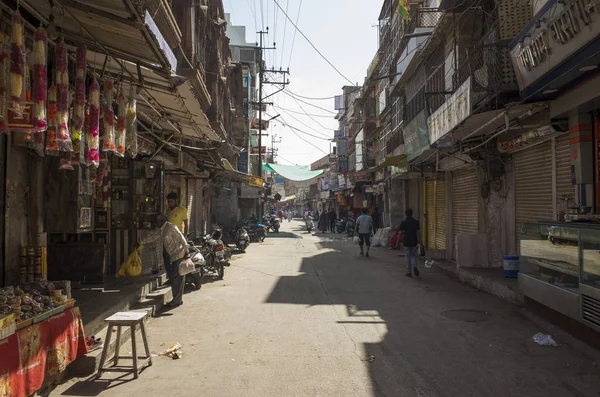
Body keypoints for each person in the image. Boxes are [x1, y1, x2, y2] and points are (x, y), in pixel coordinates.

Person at [139, 214, 189, 307]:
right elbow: (152, 237)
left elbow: (181, 237)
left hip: (179, 254)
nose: (156, 223)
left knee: (177, 279)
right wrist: (140, 243)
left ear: (162, 221)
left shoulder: (171, 227)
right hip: (173, 256)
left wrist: (187, 251)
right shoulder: (161, 230)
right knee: (175, 278)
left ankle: (176, 301)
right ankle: (177, 299)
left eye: (157, 221)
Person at [399, 208, 422, 277]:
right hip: (414, 241)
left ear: (406, 214)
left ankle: (409, 272)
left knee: (407, 257)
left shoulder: (403, 222)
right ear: (412, 214)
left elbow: (400, 232)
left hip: (406, 242)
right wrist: (420, 241)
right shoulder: (416, 222)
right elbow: (418, 233)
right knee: (414, 255)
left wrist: (397, 242)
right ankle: (415, 266)